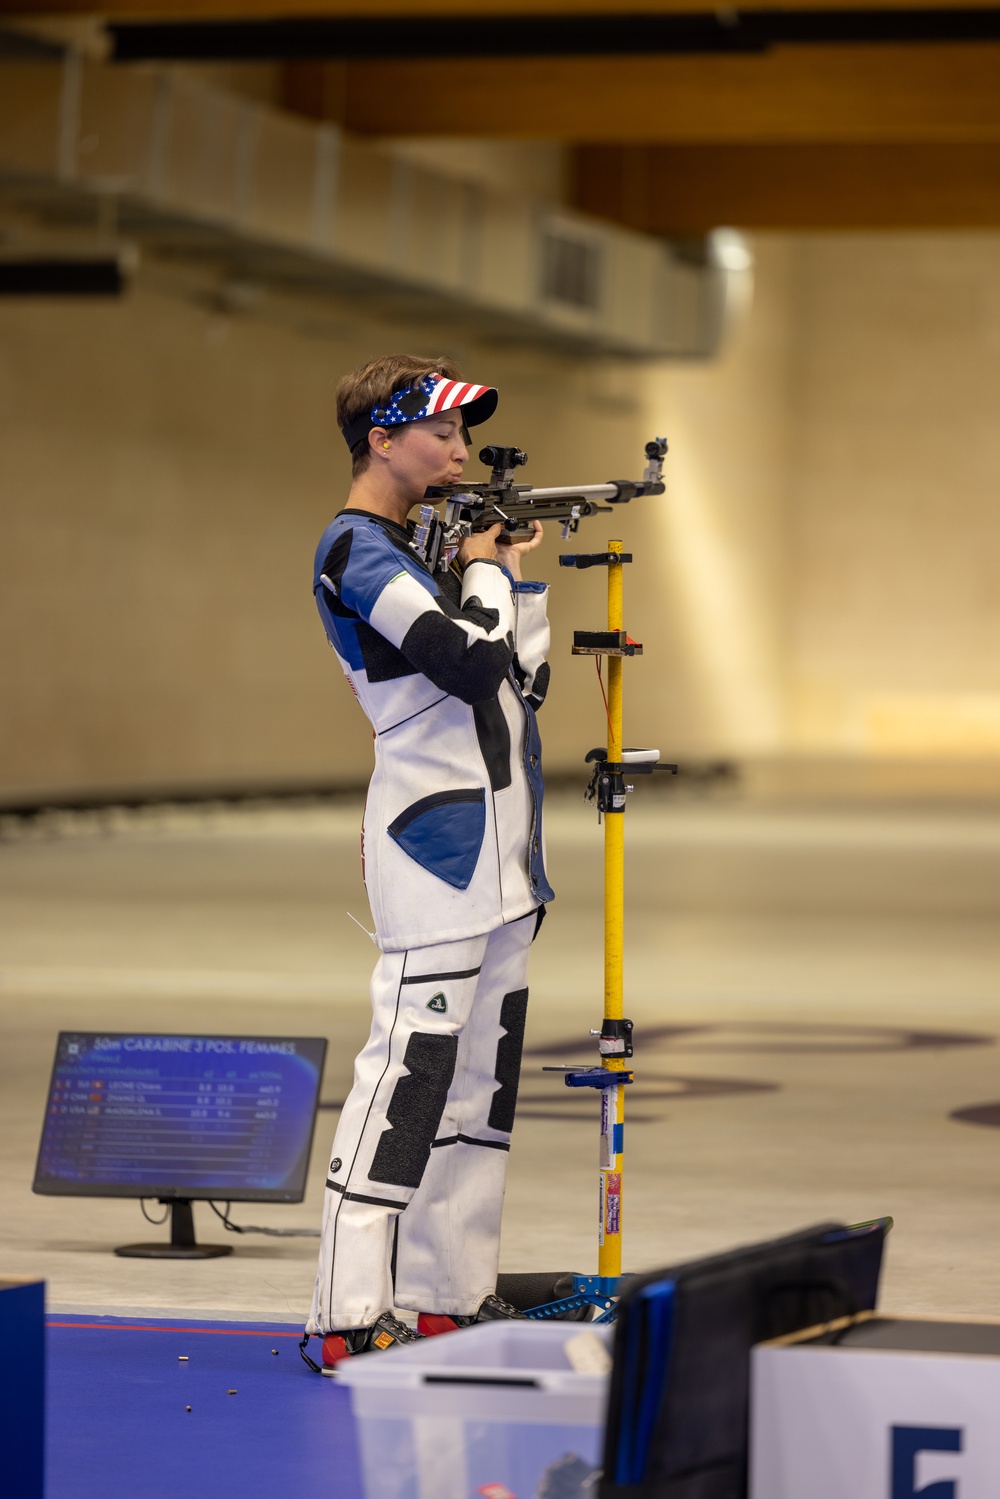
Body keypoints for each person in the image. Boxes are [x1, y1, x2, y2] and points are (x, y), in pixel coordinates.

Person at [303, 353, 554, 1367]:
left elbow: (515, 687)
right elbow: (465, 659)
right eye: (441, 434)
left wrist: (509, 576)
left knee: (478, 1087)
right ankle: (345, 1309)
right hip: (436, 851)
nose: (458, 452)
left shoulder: (414, 553)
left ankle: (450, 1290)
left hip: (499, 857)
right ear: (382, 439)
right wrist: (488, 568)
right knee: (406, 1078)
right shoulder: (355, 549)